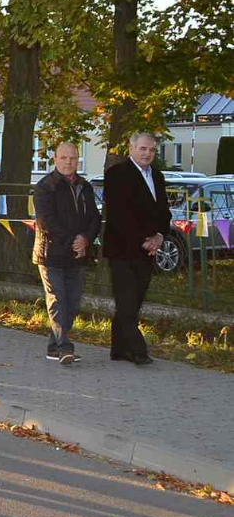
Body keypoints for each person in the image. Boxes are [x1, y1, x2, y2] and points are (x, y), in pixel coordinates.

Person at [103, 132, 171, 366]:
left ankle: (118, 349)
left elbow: (164, 211)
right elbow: (119, 215)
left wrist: (160, 236)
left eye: (152, 150)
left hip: (148, 251)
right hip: (122, 249)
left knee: (134, 301)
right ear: (131, 148)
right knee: (127, 301)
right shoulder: (116, 174)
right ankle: (137, 350)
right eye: (143, 149)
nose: (147, 154)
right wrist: (143, 239)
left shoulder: (158, 176)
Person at [33, 141, 102, 365]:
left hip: (78, 255)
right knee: (58, 301)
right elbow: (47, 221)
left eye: (72, 158)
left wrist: (86, 239)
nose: (68, 162)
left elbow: (94, 218)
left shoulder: (85, 186)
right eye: (63, 157)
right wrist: (73, 239)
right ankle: (64, 348)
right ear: (55, 159)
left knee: (72, 303)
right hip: (51, 253)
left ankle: (53, 347)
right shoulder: (45, 186)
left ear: (78, 160)